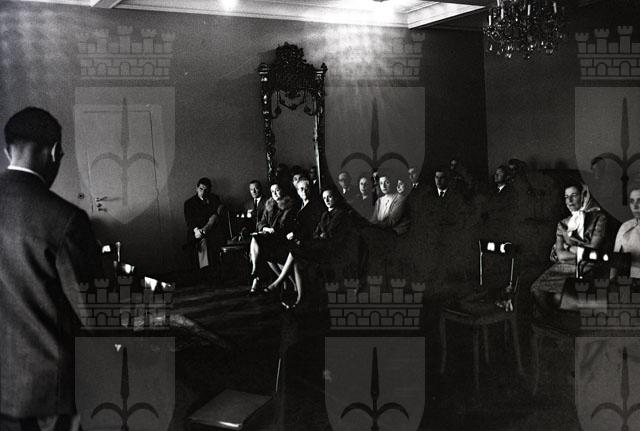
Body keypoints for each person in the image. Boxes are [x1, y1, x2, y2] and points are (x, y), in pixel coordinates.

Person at [0, 107, 102, 430]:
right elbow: (94, 314)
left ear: (7, 151)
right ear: (55, 152)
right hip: (49, 392)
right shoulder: (65, 219)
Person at [266, 186, 356, 307]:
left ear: (335, 198)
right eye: (324, 198)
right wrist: (321, 234)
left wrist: (322, 234)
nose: (327, 200)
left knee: (294, 251)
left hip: (331, 250)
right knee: (296, 262)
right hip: (320, 245)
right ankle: (299, 299)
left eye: (329, 197)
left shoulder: (341, 214)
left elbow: (331, 235)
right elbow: (316, 232)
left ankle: (278, 283)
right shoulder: (325, 214)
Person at [531, 183, 608, 311]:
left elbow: (592, 251)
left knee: (562, 297)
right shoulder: (562, 224)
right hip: (564, 267)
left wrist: (568, 248)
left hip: (588, 267)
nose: (570, 201)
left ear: (582, 197)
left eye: (574, 195)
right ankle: (552, 320)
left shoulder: (599, 218)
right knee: (536, 289)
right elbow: (561, 256)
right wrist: (578, 252)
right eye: (566, 197)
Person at [249, 183, 297, 294]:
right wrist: (265, 228)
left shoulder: (290, 205)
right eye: (272, 191)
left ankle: (257, 272)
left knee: (268, 251)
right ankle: (255, 269)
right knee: (255, 239)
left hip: (283, 238)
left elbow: (288, 226)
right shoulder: (269, 204)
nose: (274, 193)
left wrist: (274, 230)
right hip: (270, 236)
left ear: (282, 190)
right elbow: (261, 222)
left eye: (277, 190)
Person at [184, 177, 226, 280]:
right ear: (196, 188)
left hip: (212, 230)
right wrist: (197, 231)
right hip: (196, 231)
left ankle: (215, 273)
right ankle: (205, 273)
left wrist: (206, 229)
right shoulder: (189, 203)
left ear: (210, 190)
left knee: (213, 239)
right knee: (202, 241)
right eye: (201, 189)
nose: (203, 192)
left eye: (206, 190)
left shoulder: (214, 199)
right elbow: (190, 221)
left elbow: (216, 216)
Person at [613, 188, 640, 279]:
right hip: (631, 281)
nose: (635, 206)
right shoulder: (625, 227)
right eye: (632, 201)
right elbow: (614, 261)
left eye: (639, 201)